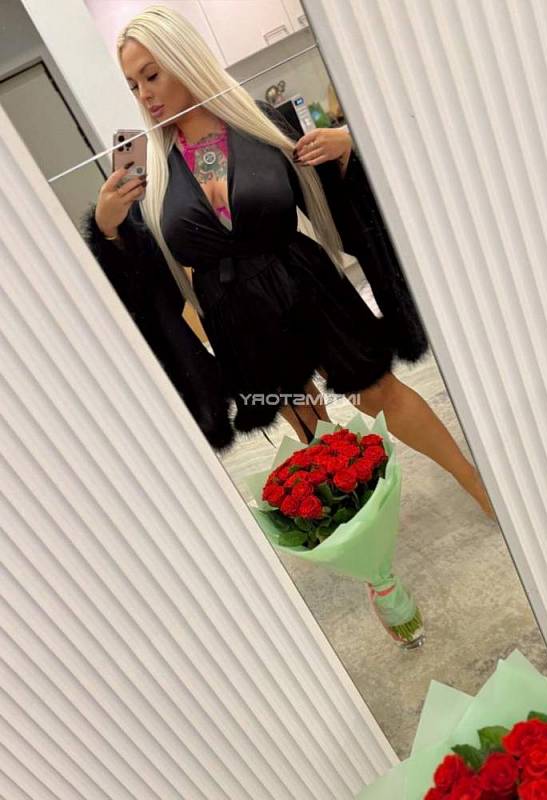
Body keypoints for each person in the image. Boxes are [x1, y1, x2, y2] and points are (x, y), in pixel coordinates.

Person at [82, 5, 493, 518]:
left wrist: (347, 147)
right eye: (132, 86)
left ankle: (477, 482)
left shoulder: (257, 120)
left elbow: (332, 199)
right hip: (234, 308)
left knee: (376, 390)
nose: (144, 95)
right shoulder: (151, 171)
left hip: (304, 280)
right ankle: (360, 523)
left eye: (151, 75)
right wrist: (109, 229)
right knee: (308, 422)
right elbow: (150, 281)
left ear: (183, 59)